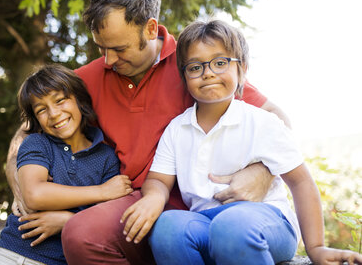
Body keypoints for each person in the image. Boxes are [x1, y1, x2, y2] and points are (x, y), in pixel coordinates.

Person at [6, 0, 290, 264]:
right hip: (125, 199)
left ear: (150, 29)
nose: (108, 60)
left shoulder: (194, 66)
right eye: (101, 48)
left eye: (119, 48)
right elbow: (29, 131)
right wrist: (19, 180)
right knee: (83, 235)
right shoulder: (91, 76)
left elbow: (275, 117)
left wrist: (263, 172)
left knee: (87, 231)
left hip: (187, 205)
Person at [120, 19, 362, 265]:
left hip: (266, 221)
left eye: (220, 62)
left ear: (242, 69)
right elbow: (159, 180)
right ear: (184, 76)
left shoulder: (262, 122)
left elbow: (300, 182)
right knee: (168, 228)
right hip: (204, 222)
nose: (208, 73)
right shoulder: (177, 129)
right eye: (195, 67)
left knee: (230, 226)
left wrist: (316, 247)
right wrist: (153, 197)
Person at [0, 64, 133, 265]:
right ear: (35, 118)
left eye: (60, 100)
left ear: (79, 100)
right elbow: (34, 195)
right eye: (42, 110)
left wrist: (66, 221)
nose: (54, 114)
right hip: (14, 254)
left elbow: (105, 221)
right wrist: (102, 191)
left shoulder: (106, 157)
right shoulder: (37, 144)